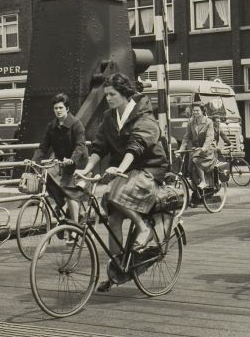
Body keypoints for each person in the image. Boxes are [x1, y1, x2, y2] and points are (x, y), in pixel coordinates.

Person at [76, 73, 169, 292]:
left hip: (149, 167)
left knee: (117, 194)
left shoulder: (143, 115)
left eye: (112, 94)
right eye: (106, 94)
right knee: (112, 216)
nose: (107, 98)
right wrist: (86, 169)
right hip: (127, 168)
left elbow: (137, 145)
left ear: (125, 94)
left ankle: (142, 227)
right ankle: (117, 268)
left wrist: (120, 167)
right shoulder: (109, 118)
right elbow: (99, 147)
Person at [29, 93, 88, 235]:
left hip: (77, 162)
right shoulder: (52, 126)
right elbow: (43, 146)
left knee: (71, 193)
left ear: (67, 108)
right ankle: (61, 207)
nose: (58, 111)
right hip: (62, 162)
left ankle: (75, 228)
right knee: (49, 178)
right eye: (55, 108)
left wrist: (72, 159)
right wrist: (34, 160)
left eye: (61, 108)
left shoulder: (76, 124)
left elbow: (80, 146)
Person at [177, 102, 217, 189]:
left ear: (203, 111)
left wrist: (204, 148)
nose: (195, 112)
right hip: (196, 149)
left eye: (197, 110)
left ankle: (203, 181)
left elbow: (209, 137)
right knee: (190, 169)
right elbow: (186, 137)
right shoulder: (191, 121)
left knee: (195, 160)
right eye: (193, 110)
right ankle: (197, 191)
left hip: (208, 148)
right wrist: (181, 149)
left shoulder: (209, 122)